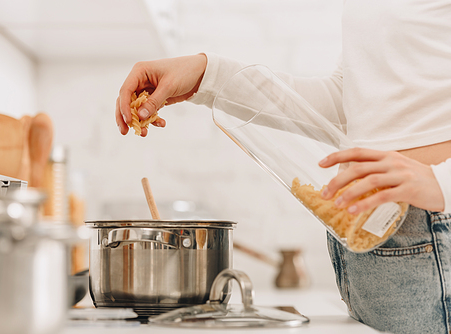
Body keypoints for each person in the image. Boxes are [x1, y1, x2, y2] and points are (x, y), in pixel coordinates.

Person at [115, 3, 451, 333]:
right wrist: (206, 75)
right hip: (365, 233)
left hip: (432, 230)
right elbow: (349, 102)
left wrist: (443, 183)